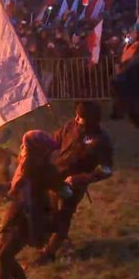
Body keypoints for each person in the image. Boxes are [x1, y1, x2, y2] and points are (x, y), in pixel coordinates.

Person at [0, 130, 73, 279]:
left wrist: (66, 185)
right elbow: (15, 188)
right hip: (17, 211)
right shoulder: (24, 166)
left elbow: (64, 191)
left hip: (31, 216)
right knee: (4, 243)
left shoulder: (45, 171)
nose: (22, 148)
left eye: (25, 146)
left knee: (5, 255)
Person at [34, 101, 114, 264]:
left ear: (91, 119)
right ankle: (57, 238)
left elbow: (106, 169)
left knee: (64, 215)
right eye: (76, 115)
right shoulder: (71, 125)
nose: (76, 118)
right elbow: (55, 140)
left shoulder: (101, 140)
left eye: (81, 117)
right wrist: (38, 146)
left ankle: (49, 254)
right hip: (56, 176)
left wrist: (81, 179)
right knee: (49, 211)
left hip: (73, 185)